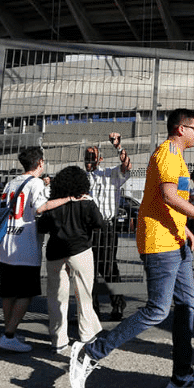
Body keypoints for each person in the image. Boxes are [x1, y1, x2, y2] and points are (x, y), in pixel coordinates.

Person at [67, 108, 194, 388]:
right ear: (181, 129)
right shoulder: (168, 154)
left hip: (175, 241)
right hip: (160, 245)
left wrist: (185, 228)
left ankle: (181, 374)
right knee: (157, 310)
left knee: (187, 302)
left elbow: (166, 201)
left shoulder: (177, 156)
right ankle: (91, 352)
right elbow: (168, 196)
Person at [37, 166, 108, 356]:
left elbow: (42, 226)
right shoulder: (86, 203)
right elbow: (100, 223)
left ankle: (58, 340)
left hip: (55, 251)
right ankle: (86, 336)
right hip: (80, 250)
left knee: (56, 297)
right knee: (84, 295)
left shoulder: (54, 203)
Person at [0, 147, 49, 353]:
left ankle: (7, 330)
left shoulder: (11, 182)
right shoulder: (35, 183)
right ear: (40, 163)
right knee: (26, 293)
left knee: (8, 293)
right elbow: (39, 208)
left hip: (8, 241)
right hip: (25, 245)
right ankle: (8, 335)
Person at [85, 135, 132, 321]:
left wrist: (118, 146)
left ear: (99, 159)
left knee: (109, 268)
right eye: (87, 157)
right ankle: (92, 310)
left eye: (92, 156)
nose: (89, 160)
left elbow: (127, 165)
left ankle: (118, 304)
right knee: (88, 270)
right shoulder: (82, 179)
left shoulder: (111, 174)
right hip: (87, 230)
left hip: (106, 228)